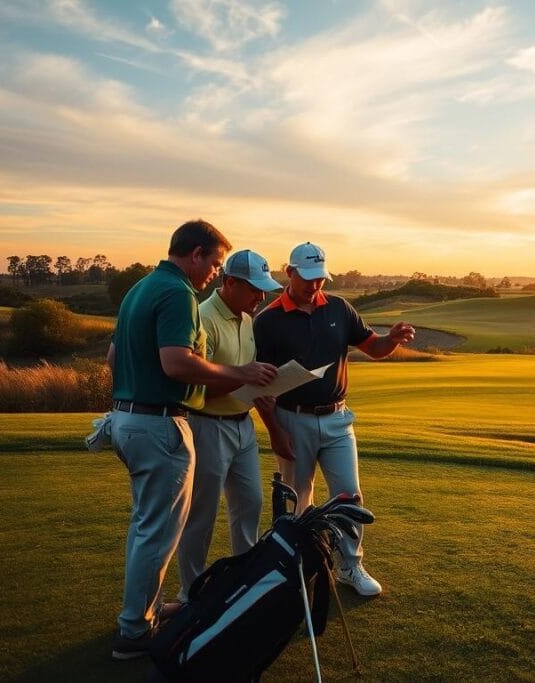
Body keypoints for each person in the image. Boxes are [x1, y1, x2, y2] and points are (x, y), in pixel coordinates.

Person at [107, 220, 278, 660]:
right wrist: (239, 373)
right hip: (159, 422)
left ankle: (141, 614)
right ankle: (134, 633)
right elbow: (177, 363)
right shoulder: (179, 292)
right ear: (196, 253)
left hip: (128, 417)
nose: (213, 274)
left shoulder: (141, 288)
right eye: (214, 263)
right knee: (158, 533)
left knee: (147, 528)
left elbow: (113, 354)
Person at [253, 242, 415, 597]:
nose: (314, 286)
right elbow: (261, 386)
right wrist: (276, 433)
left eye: (320, 279)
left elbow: (374, 348)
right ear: (290, 272)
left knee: (349, 495)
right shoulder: (267, 321)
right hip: (291, 418)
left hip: (338, 419)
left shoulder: (340, 308)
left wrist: (393, 339)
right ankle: (296, 569)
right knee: (298, 499)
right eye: (308, 279)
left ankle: (350, 567)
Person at [176, 249, 293, 603]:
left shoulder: (246, 317)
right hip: (207, 427)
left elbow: (243, 373)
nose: (261, 296)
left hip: (243, 425)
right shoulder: (203, 318)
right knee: (202, 514)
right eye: (254, 289)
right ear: (229, 283)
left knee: (251, 504)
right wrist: (246, 379)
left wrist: (262, 392)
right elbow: (194, 388)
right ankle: (191, 595)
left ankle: (244, 586)